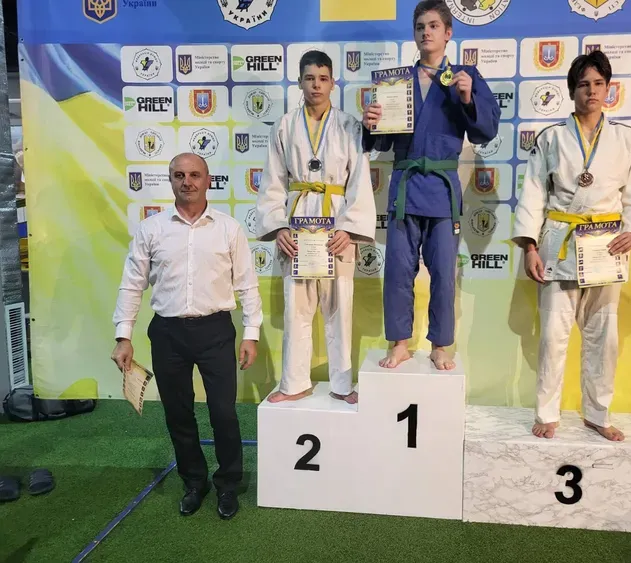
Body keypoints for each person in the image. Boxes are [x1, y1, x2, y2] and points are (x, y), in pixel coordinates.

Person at [111, 153, 262, 519]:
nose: (187, 181)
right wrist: (123, 336)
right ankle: (194, 481)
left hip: (216, 331)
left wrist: (251, 333)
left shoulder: (228, 229)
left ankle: (228, 484)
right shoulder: (151, 229)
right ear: (171, 181)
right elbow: (132, 284)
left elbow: (247, 284)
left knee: (223, 413)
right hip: (168, 333)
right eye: (179, 175)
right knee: (178, 415)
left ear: (208, 180)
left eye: (194, 175)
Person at [511, 51, 631, 442]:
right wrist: (530, 247)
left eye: (598, 84)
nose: (592, 91)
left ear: (609, 89)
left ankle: (597, 413)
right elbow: (533, 193)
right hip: (560, 241)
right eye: (584, 84)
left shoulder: (627, 139)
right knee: (553, 337)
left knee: (604, 337)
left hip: (606, 246)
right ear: (572, 91)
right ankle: (547, 412)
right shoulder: (551, 138)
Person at [362, 0, 500, 371]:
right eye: (421, 26)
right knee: (398, 271)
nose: (427, 32)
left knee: (443, 272)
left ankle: (440, 344)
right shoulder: (396, 82)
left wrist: (468, 98)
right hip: (405, 186)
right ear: (414, 34)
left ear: (448, 33)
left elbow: (485, 131)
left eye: (434, 26)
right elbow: (380, 142)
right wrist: (371, 123)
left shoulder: (464, 77)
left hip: (441, 188)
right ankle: (399, 343)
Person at [256, 50, 375, 404]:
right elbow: (273, 181)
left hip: (336, 226)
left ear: (333, 83)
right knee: (297, 309)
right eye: (309, 78)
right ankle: (294, 383)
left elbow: (360, 181)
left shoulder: (350, 126)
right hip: (298, 227)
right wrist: (279, 227)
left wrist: (350, 229)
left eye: (323, 78)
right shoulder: (284, 126)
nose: (316, 85)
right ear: (299, 82)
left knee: (340, 308)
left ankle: (342, 384)